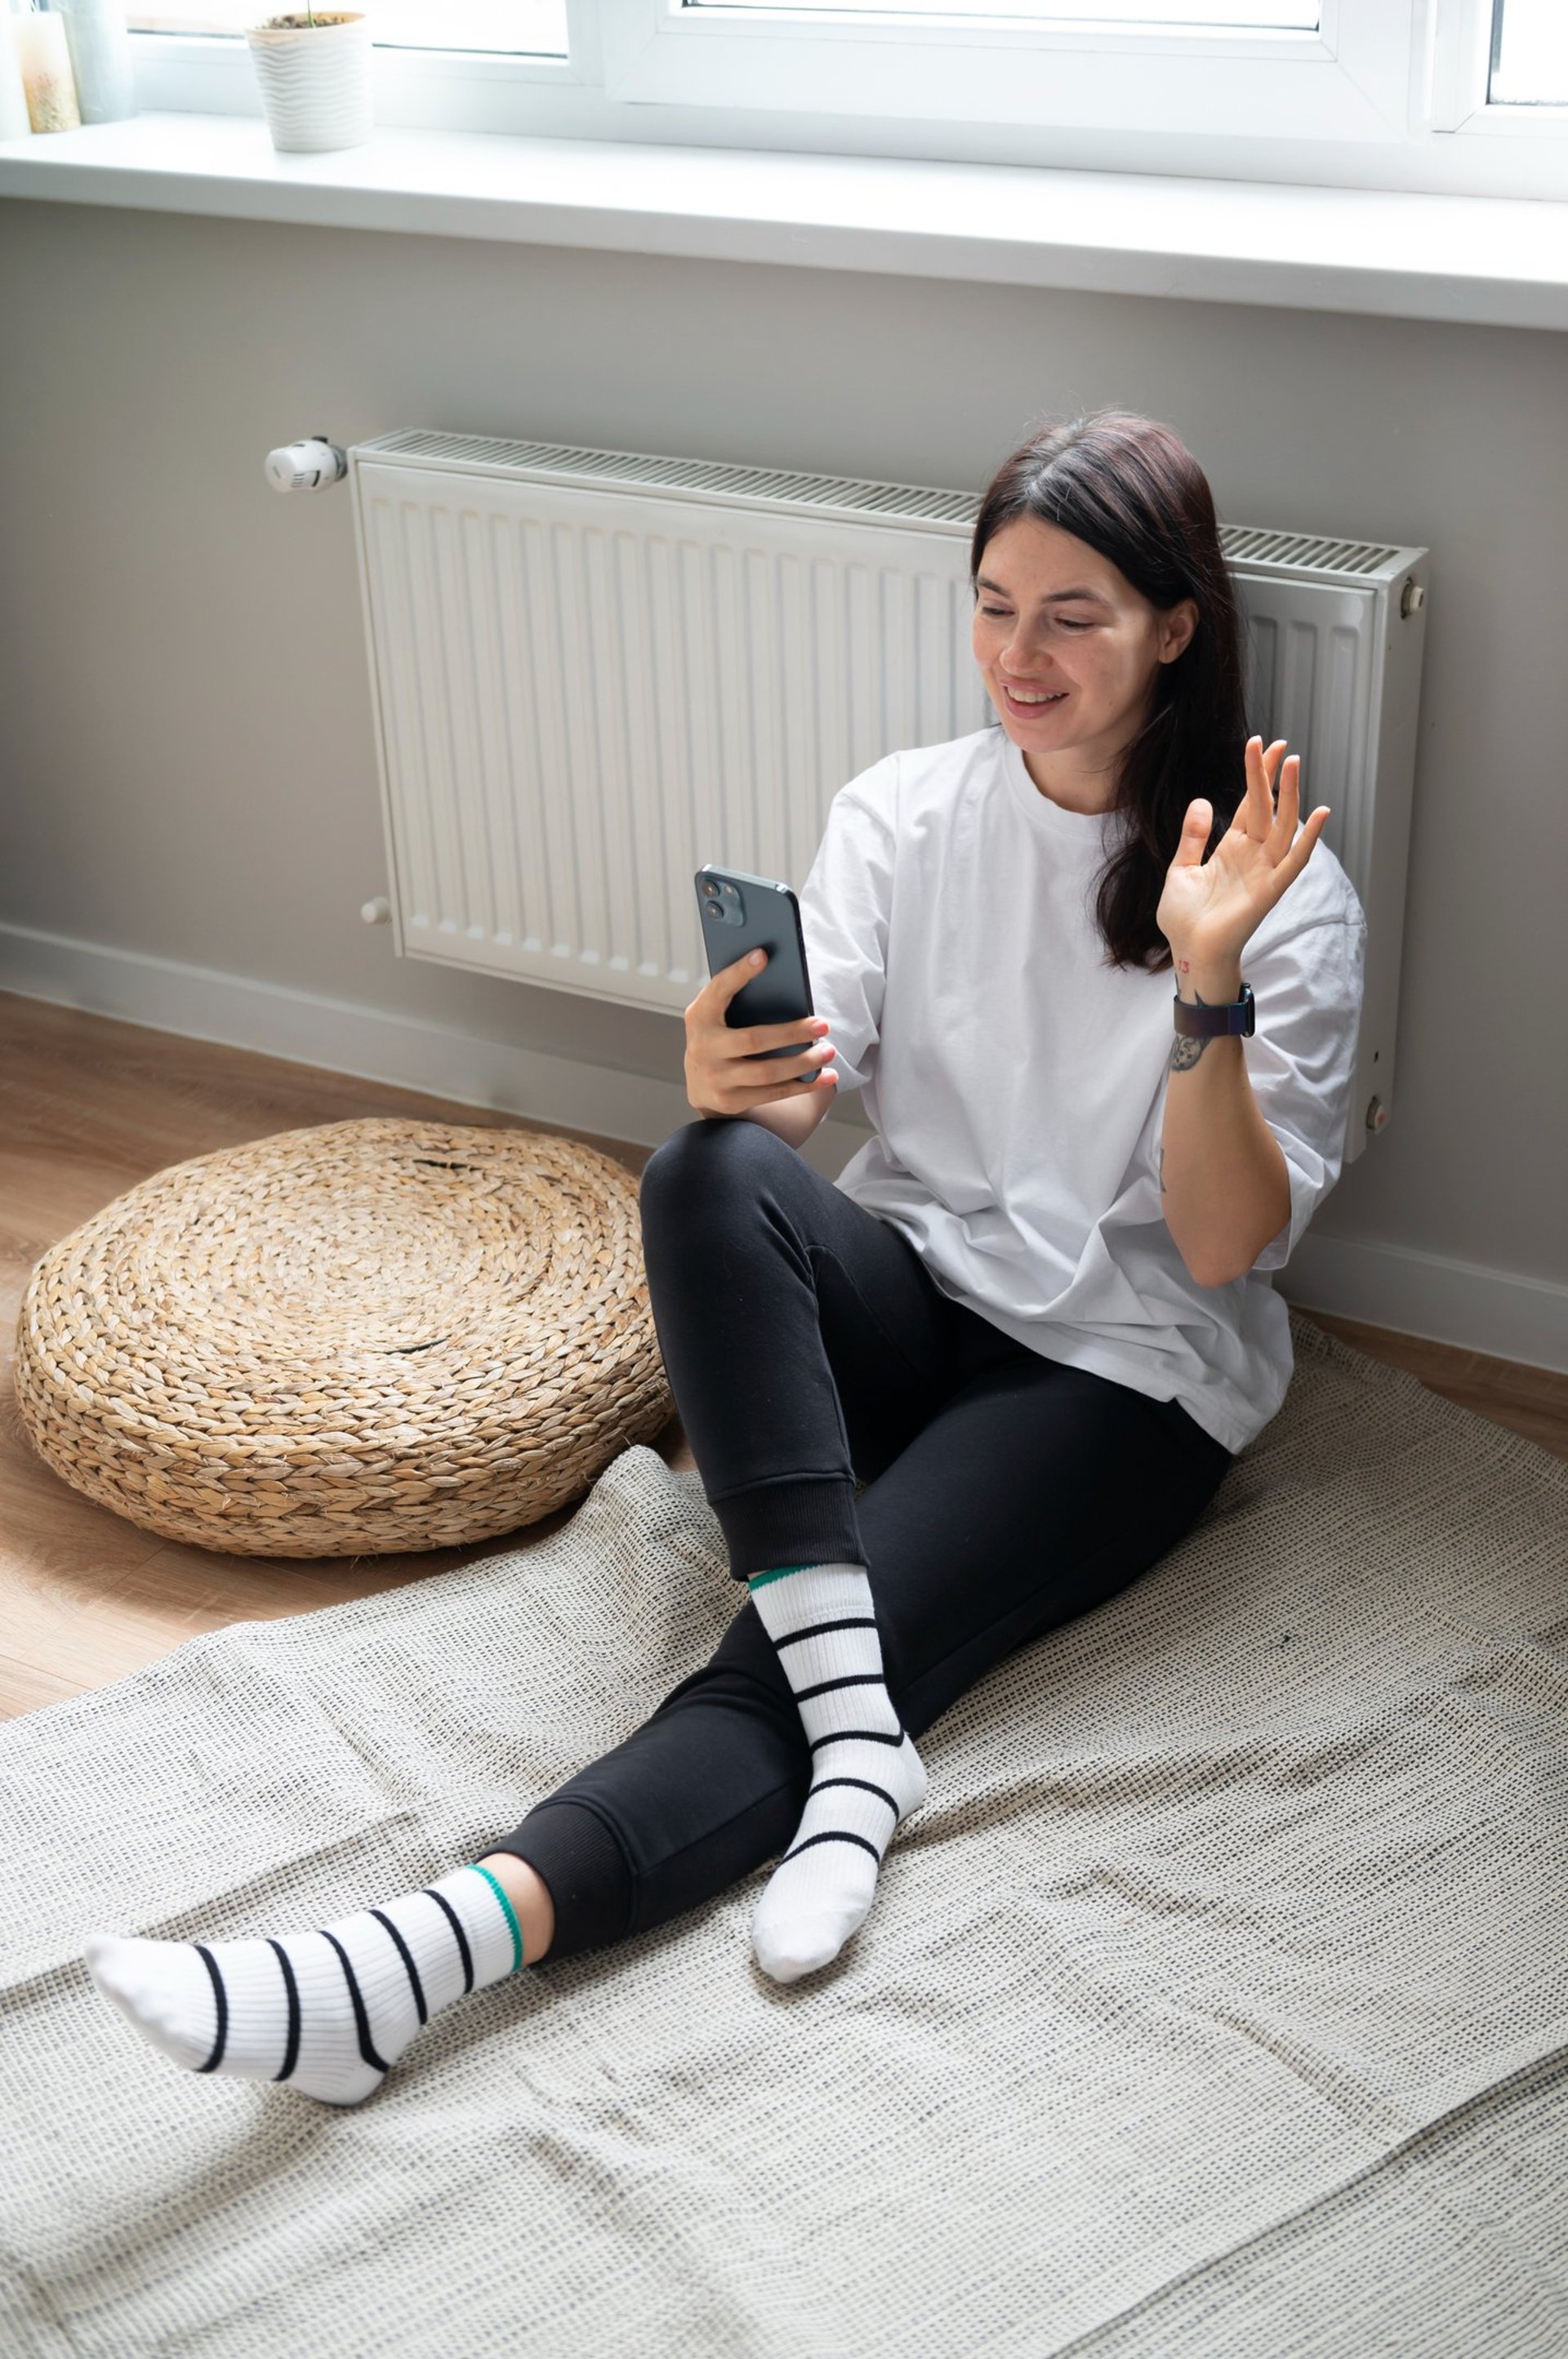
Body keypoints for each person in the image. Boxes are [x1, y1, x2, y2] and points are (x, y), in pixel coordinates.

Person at [84, 411, 1365, 2107]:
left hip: (1118, 1370)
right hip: (920, 1301)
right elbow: (781, 1144)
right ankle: (865, 1751)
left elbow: (1217, 1243)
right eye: (995, 605)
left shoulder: (1281, 890)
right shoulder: (909, 812)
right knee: (694, 1173)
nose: (1021, 656)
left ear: (1177, 626)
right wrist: (734, 1078)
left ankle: (398, 1970)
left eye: (1075, 615)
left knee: (761, 1667)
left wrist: (1210, 978)